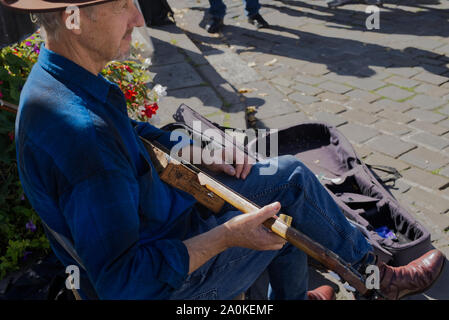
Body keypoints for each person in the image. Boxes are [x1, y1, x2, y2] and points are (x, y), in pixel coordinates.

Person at [4, 0, 445, 300]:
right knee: (278, 215)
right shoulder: (85, 138)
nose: (139, 17)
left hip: (159, 222)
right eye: (123, 4)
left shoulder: (59, 77)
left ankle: (342, 280)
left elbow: (135, 132)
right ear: (75, 18)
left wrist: (196, 149)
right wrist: (227, 238)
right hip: (167, 284)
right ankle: (377, 280)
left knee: (288, 178)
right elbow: (124, 283)